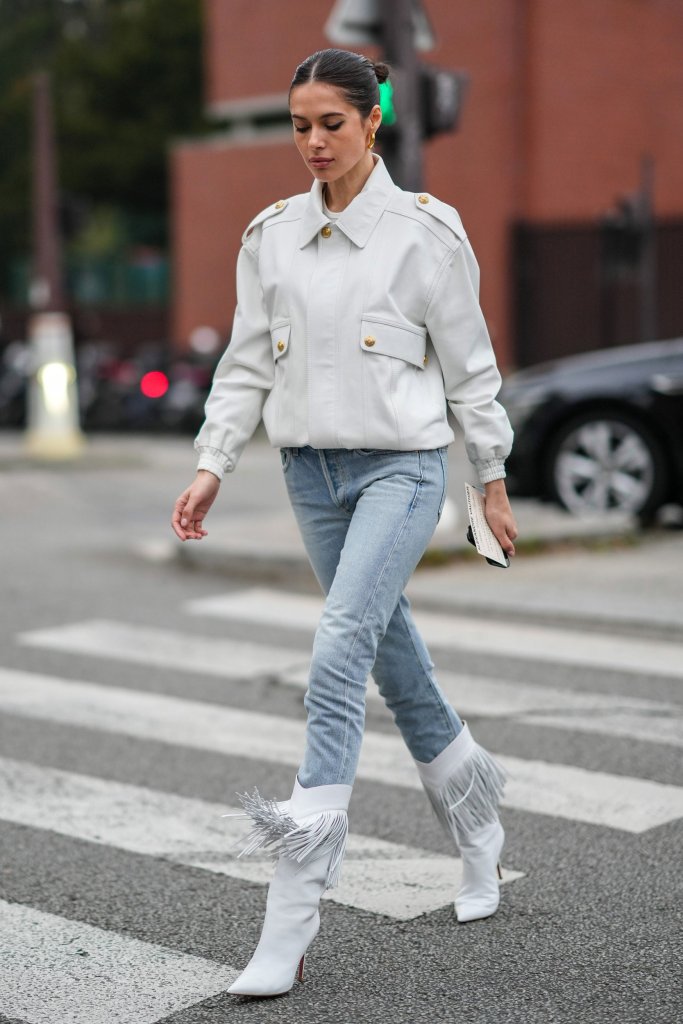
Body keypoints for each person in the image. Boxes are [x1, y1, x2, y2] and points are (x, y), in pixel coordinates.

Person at [172, 48, 518, 998]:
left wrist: (489, 477)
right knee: (393, 661)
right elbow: (244, 364)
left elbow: (470, 370)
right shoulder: (269, 236)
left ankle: (289, 913)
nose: (312, 142)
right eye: (298, 125)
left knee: (336, 652)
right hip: (309, 476)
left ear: (373, 122)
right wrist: (212, 467)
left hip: (402, 472)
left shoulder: (425, 234)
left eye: (331, 122)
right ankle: (478, 822)